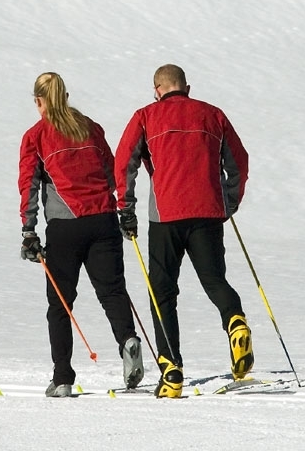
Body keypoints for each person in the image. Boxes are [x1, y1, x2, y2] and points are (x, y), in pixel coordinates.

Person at [114, 64, 253, 399]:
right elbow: (239, 161)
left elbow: (124, 161)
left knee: (162, 290)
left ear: (157, 89)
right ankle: (235, 320)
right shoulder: (212, 115)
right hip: (207, 213)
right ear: (186, 88)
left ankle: (171, 369)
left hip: (165, 217)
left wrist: (125, 207)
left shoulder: (146, 116)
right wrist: (228, 200)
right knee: (214, 279)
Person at [18, 71, 144, 398]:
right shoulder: (90, 127)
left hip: (65, 226)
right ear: (66, 95)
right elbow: (111, 168)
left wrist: (28, 230)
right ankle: (128, 341)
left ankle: (62, 378)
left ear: (39, 101)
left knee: (61, 304)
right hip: (103, 220)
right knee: (113, 292)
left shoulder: (37, 136)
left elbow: (29, 185)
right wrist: (119, 208)